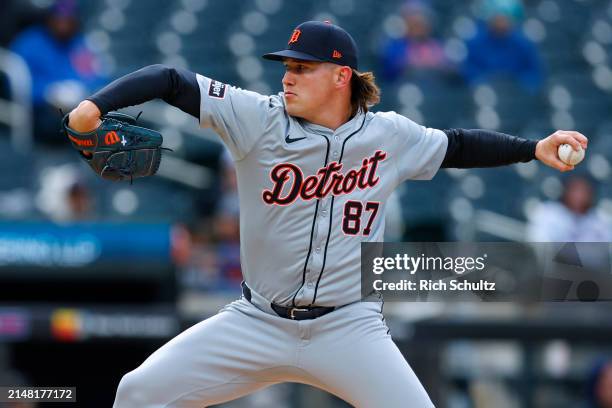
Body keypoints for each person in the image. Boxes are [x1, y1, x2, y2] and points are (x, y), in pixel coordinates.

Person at [67, 20, 587, 408]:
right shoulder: (257, 117)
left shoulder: (388, 134)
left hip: (349, 328)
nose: (288, 78)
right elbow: (169, 79)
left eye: (302, 67)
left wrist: (532, 147)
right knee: (136, 393)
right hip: (255, 321)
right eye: (287, 67)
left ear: (341, 77)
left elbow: (457, 145)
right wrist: (94, 106)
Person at [9, 0, 105, 144]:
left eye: (68, 19)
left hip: (79, 108)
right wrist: (48, 93)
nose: (63, 24)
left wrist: (83, 91)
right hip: (40, 111)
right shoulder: (29, 42)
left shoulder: (80, 45)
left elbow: (97, 78)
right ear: (49, 18)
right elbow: (15, 84)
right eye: (59, 19)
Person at [462, 0, 543, 93]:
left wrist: (517, 84)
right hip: (485, 94)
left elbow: (533, 73)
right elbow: (470, 72)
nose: (501, 21)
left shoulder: (524, 44)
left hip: (516, 95)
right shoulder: (475, 44)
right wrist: (486, 82)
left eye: (505, 17)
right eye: (497, 17)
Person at [380, 1, 451, 83]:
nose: (419, 27)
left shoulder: (436, 45)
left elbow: (449, 69)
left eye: (421, 23)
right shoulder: (395, 46)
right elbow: (389, 70)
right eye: (414, 23)